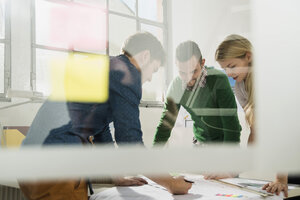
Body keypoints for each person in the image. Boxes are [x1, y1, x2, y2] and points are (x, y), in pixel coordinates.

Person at [19, 32, 191, 200]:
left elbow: (101, 129)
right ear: (145, 56)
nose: (150, 79)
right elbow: (129, 141)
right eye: (153, 70)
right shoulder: (127, 74)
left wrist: (116, 176)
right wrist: (171, 184)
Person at [215, 34, 289, 197]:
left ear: (248, 56)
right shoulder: (240, 86)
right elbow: (256, 132)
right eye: (225, 68)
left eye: (232, 66)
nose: (228, 73)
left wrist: (281, 178)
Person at [153, 40, 241, 148]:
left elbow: (231, 126)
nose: (189, 79)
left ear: (202, 63)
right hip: (200, 143)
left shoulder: (219, 81)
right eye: (183, 73)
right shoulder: (176, 86)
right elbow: (166, 124)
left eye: (193, 71)